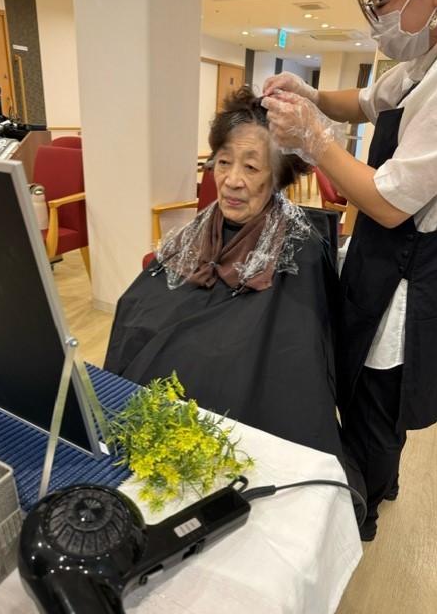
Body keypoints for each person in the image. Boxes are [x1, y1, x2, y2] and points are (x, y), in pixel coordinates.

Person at [261, 0, 437, 541]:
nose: (377, 20)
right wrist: (310, 94)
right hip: (380, 257)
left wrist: (316, 140)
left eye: (382, 0)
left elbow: (390, 204)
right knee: (367, 400)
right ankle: (381, 483)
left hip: (412, 274)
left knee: (376, 408)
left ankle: (359, 515)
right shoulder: (433, 55)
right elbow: (366, 101)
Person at [104, 86, 352, 474]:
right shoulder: (199, 229)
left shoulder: (300, 248)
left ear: (278, 177)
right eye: (223, 162)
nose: (232, 180)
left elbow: (293, 360)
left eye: (251, 168)